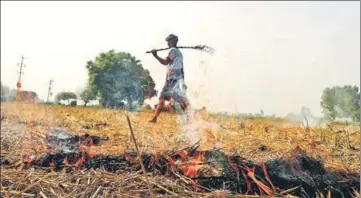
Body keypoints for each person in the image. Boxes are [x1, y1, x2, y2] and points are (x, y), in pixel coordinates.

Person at [149, 34, 191, 123]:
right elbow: (180, 69)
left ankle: (188, 119)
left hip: (173, 79)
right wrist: (182, 81)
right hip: (172, 79)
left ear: (173, 41)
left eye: (169, 41)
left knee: (178, 99)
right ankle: (155, 118)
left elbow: (165, 62)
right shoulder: (179, 53)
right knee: (162, 98)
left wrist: (155, 55)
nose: (167, 43)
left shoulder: (172, 51)